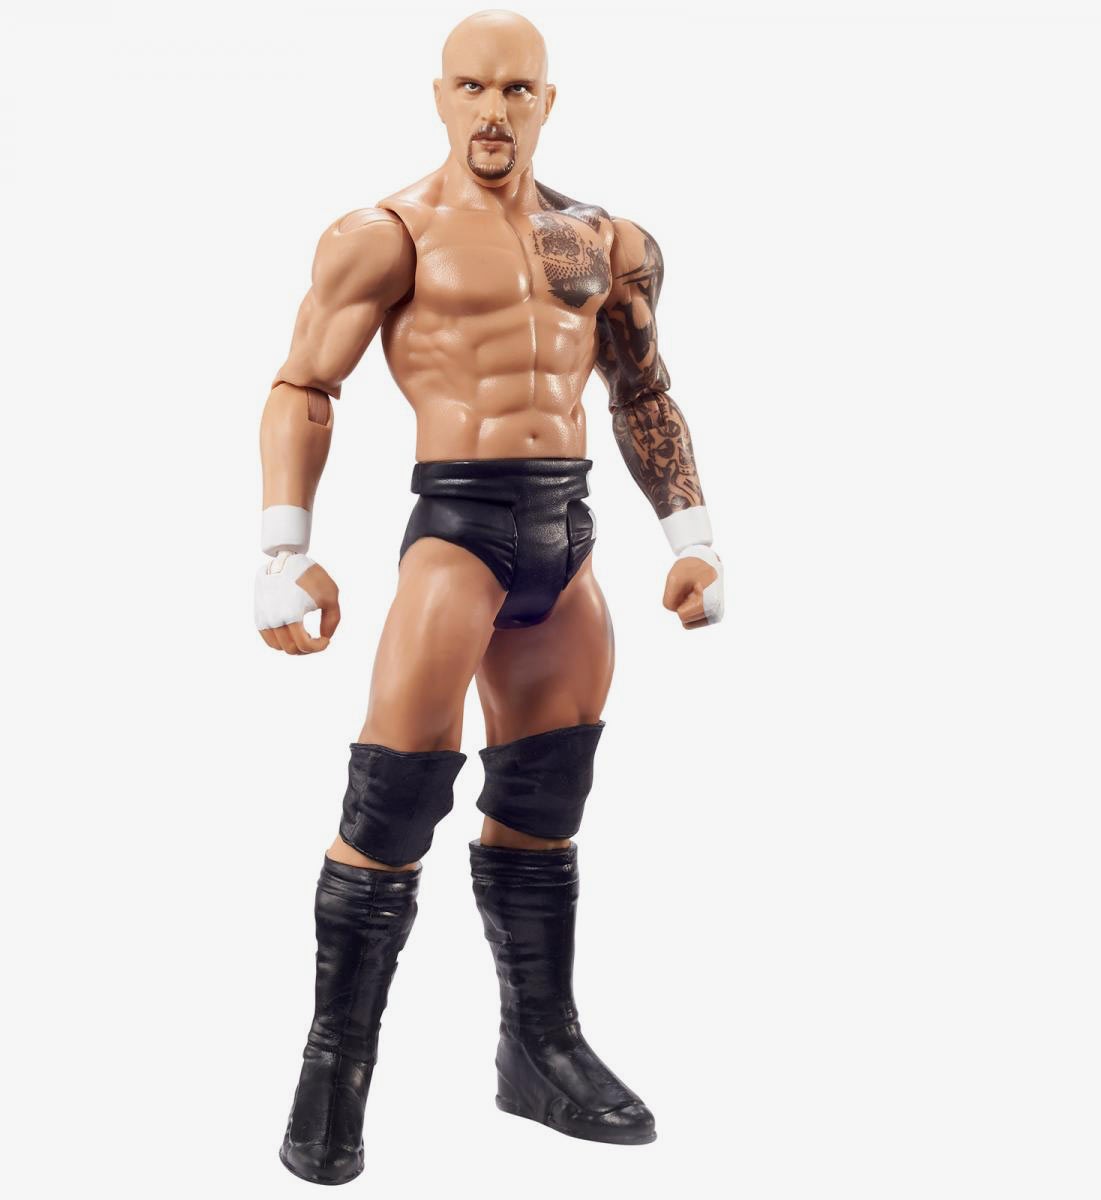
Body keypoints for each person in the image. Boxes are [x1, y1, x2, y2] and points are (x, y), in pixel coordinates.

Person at [254, 10, 724, 1185]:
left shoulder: (600, 240)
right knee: (393, 798)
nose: (495, 110)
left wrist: (693, 537)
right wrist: (282, 549)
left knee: (546, 797)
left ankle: (540, 1049)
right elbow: (305, 385)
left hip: (568, 536)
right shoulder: (389, 233)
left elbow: (643, 392)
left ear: (548, 103)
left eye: (518, 89)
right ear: (440, 97)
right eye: (473, 86)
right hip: (458, 532)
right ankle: (333, 1066)